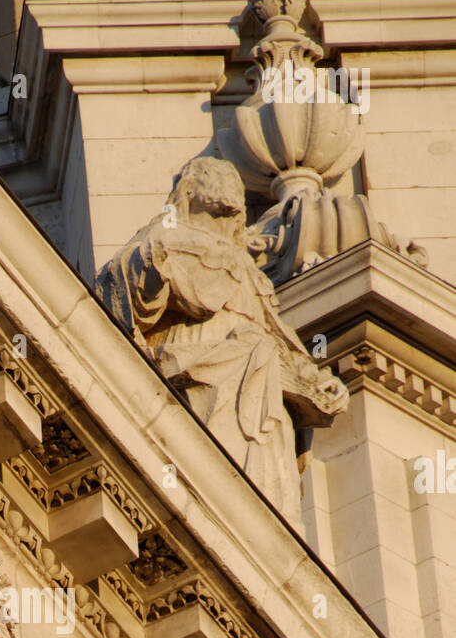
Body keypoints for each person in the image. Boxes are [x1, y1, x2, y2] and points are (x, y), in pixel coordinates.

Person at [95, 156, 347, 527]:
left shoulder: (248, 270)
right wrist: (156, 267)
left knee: (263, 502)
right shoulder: (161, 239)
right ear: (189, 191)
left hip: (258, 399)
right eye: (212, 176)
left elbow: (277, 339)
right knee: (204, 481)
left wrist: (314, 381)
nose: (226, 182)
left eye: (230, 177)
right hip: (196, 373)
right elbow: (119, 298)